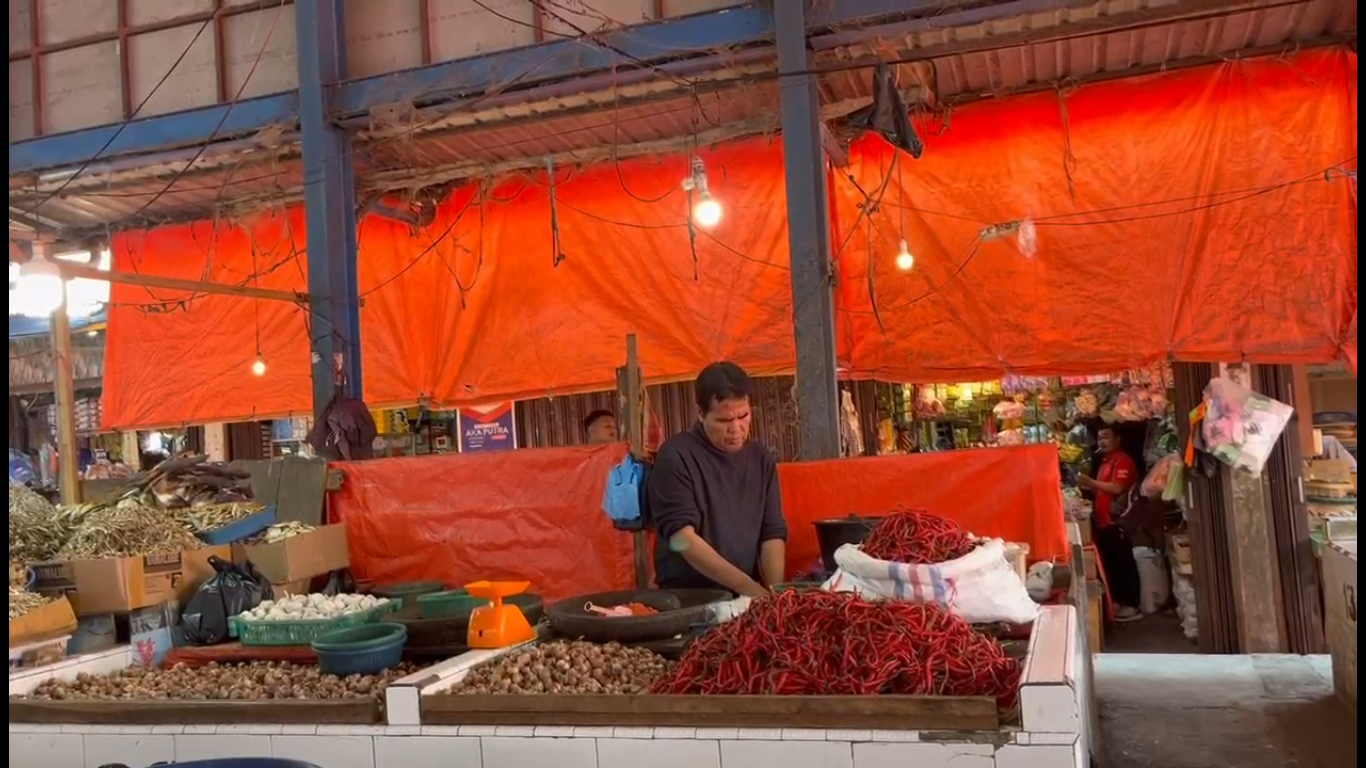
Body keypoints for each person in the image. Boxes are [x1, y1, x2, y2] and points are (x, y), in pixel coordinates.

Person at [647, 362, 787, 597]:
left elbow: (772, 533)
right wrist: (750, 589)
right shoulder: (675, 457)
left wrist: (776, 594)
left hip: (746, 597)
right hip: (689, 599)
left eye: (743, 416)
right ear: (700, 414)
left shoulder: (761, 459)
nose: (736, 429)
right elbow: (682, 538)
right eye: (723, 421)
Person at [1078, 426, 1144, 622]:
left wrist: (1091, 483)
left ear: (1118, 439)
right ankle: (1118, 604)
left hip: (1118, 522)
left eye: (1106, 437)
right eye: (1099, 438)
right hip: (1104, 522)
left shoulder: (1122, 461)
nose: (1102, 441)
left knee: (1123, 563)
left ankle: (1131, 605)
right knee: (1113, 565)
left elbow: (1117, 488)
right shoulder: (1106, 461)